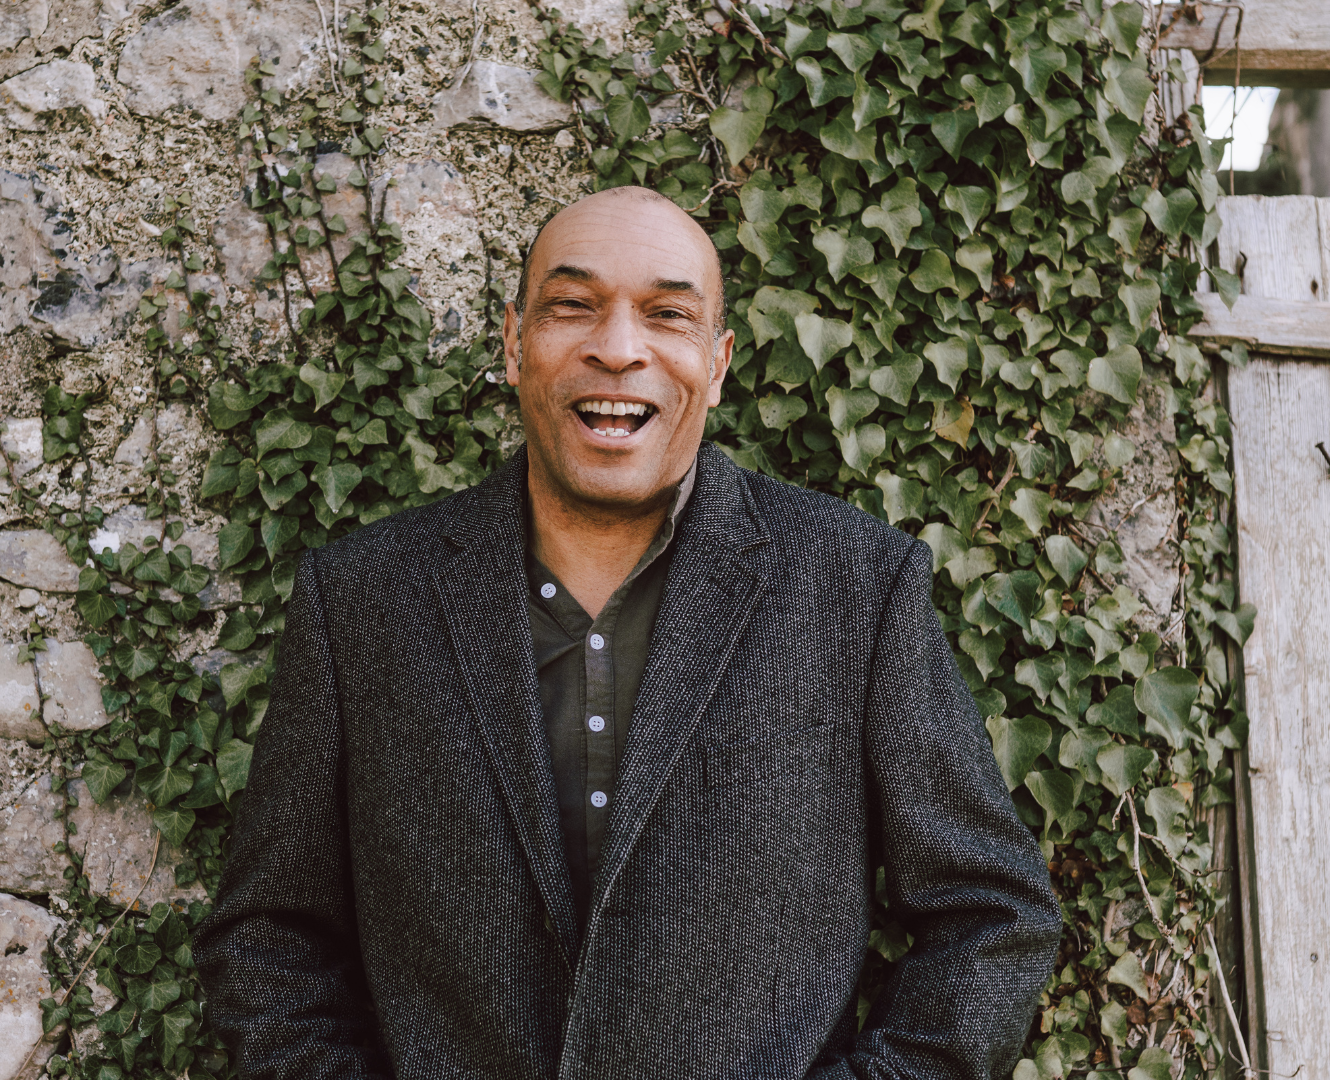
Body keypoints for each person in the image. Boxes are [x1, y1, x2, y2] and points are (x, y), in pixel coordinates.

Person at [193, 186, 1061, 1079]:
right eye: (573, 306)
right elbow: (269, 935)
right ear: (514, 342)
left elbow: (989, 913)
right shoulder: (364, 599)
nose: (617, 347)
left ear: (716, 363)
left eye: (667, 315)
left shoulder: (857, 585)